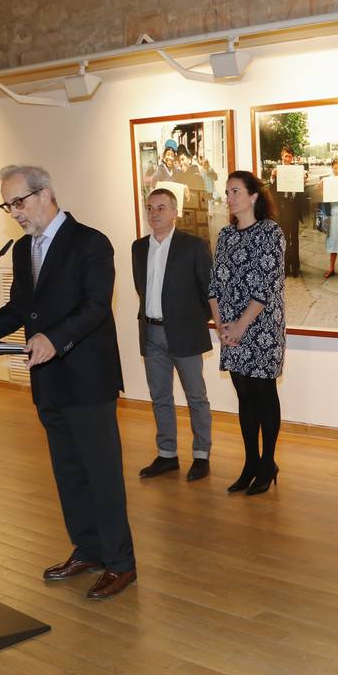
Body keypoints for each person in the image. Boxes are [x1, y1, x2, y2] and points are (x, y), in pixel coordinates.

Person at [0, 165, 137, 600]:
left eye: (18, 202)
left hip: (87, 377)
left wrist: (54, 339)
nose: (14, 213)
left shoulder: (91, 243)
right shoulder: (24, 251)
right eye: (7, 205)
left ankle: (120, 563)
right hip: (48, 380)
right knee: (68, 471)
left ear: (45, 195)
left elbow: (95, 306)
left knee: (101, 474)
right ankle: (88, 549)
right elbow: (20, 307)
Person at [209, 171, 287, 496]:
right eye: (227, 192)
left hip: (261, 328)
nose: (229, 197)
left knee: (263, 394)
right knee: (244, 396)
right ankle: (250, 463)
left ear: (254, 196)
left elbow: (266, 286)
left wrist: (241, 325)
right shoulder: (226, 235)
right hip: (231, 330)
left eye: (236, 191)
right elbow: (213, 283)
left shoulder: (271, 233)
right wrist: (220, 325)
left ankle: (268, 463)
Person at [132, 188, 216, 483]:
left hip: (185, 333)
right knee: (160, 397)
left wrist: (192, 321)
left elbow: (209, 291)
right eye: (150, 208)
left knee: (196, 397)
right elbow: (141, 289)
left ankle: (202, 454)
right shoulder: (138, 248)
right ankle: (167, 454)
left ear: (174, 212)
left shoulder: (193, 246)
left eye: (161, 208)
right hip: (151, 333)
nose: (154, 213)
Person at [272, 146, 306, 278]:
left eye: (290, 156)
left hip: (293, 207)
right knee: (284, 239)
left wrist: (303, 179)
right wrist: (273, 178)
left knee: (295, 239)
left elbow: (301, 190)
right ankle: (285, 268)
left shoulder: (297, 171)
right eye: (285, 156)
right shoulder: (277, 171)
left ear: (292, 158)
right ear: (282, 156)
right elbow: (272, 190)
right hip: (283, 208)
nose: (287, 158)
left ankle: (295, 267)